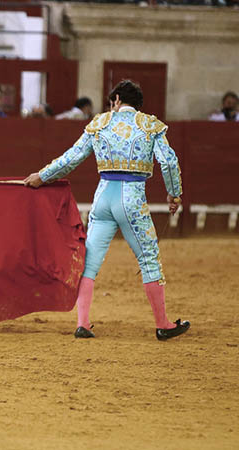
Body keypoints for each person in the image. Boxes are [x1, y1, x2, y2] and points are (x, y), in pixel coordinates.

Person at [24, 79, 190, 341]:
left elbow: (71, 158)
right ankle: (163, 324)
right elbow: (168, 163)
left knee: (89, 261)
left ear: (116, 100)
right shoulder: (150, 125)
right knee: (148, 258)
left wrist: (42, 176)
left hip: (102, 198)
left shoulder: (99, 123)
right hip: (132, 199)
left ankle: (83, 323)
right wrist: (174, 193)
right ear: (137, 104)